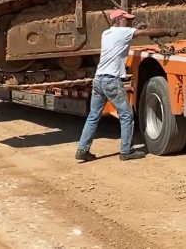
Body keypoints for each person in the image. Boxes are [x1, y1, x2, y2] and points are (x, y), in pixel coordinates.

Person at [75, 9, 176, 162]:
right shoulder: (123, 32)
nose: (128, 21)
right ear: (118, 20)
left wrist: (136, 29)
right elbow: (146, 32)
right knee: (127, 115)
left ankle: (82, 149)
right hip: (111, 81)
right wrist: (168, 31)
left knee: (93, 116)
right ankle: (126, 151)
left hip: (98, 80)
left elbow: (130, 35)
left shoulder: (106, 34)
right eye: (126, 19)